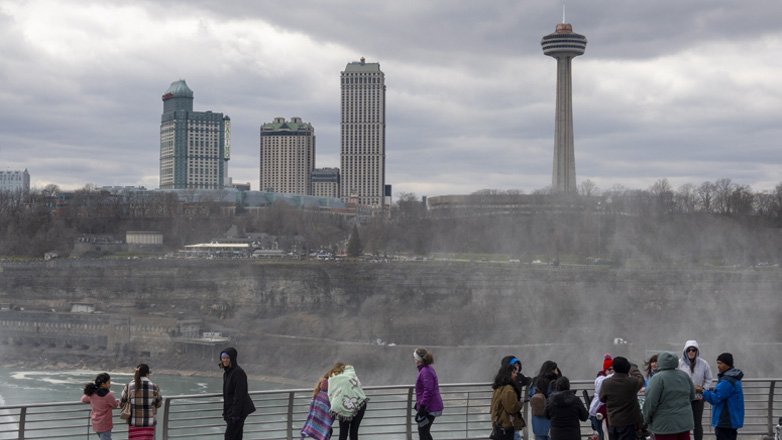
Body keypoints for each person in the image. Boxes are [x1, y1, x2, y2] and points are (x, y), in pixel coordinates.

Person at [642, 351, 695, 440]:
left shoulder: (657, 378)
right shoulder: (684, 376)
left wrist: (647, 418)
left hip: (664, 424)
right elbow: (692, 395)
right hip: (684, 422)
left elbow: (651, 402)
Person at [598, 356, 644, 440]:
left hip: (613, 422)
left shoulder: (606, 383)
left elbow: (602, 399)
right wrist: (633, 368)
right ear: (627, 368)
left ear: (614, 368)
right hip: (629, 422)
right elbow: (640, 379)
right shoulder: (632, 382)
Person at [701, 353, 744, 440]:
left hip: (725, 421)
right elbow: (723, 393)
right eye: (717, 363)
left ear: (727, 364)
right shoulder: (733, 378)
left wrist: (702, 391)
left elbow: (715, 398)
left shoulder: (727, 381)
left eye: (720, 363)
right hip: (732, 421)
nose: (718, 366)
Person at [678, 340, 713, 440]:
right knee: (683, 423)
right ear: (685, 351)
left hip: (698, 399)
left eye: (694, 350)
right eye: (689, 350)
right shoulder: (679, 364)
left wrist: (703, 390)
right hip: (683, 399)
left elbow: (709, 378)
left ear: (697, 351)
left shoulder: (703, 364)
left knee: (697, 423)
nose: (691, 352)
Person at [220, 347, 256, 440]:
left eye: (227, 358)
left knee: (229, 436)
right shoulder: (227, 373)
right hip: (233, 411)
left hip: (239, 411)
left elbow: (239, 395)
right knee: (237, 436)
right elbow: (228, 395)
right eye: (223, 358)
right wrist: (226, 413)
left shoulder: (238, 372)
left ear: (232, 358)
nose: (225, 360)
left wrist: (235, 414)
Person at [120, 363, 162, 440]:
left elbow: (122, 403)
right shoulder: (154, 386)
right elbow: (159, 404)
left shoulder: (129, 386)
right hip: (149, 422)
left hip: (134, 422)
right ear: (147, 374)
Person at [327, 363, 369, 440]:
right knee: (354, 432)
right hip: (359, 404)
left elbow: (331, 392)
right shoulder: (351, 374)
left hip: (343, 407)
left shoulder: (334, 378)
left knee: (343, 433)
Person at [414, 348, 444, 440]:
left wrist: (422, 407)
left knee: (423, 433)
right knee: (425, 432)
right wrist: (419, 403)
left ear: (417, 359)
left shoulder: (426, 371)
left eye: (414, 357)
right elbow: (425, 390)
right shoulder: (426, 369)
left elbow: (428, 390)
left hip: (429, 408)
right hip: (429, 406)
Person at [490, 361, 525, 440]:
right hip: (509, 426)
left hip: (500, 424)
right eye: (513, 372)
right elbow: (512, 408)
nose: (516, 375)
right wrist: (520, 403)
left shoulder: (498, 387)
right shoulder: (508, 389)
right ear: (508, 374)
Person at [301, 366, 337, 440]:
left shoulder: (318, 391)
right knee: (328, 431)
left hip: (314, 421)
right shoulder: (330, 395)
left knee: (329, 431)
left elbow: (312, 407)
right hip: (324, 424)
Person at [81, 372, 118, 440]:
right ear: (103, 384)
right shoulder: (108, 395)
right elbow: (115, 405)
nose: (110, 385)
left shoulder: (92, 394)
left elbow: (83, 399)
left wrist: (92, 399)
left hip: (96, 424)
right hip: (105, 425)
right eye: (108, 383)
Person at [530, 361, 561, 440]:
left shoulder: (534, 383)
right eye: (556, 370)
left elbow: (530, 395)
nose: (557, 372)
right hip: (551, 422)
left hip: (537, 420)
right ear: (552, 371)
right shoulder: (554, 384)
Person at [501, 355, 531, 440]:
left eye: (518, 365)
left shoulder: (520, 377)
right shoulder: (503, 381)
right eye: (514, 365)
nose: (517, 367)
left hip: (514, 411)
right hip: (507, 413)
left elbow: (530, 380)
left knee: (514, 433)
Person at [589, 355, 613, 440]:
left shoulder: (607, 379)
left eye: (613, 369)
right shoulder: (600, 379)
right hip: (596, 413)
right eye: (609, 369)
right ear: (604, 370)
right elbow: (604, 382)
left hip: (602, 413)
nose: (611, 371)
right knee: (604, 436)